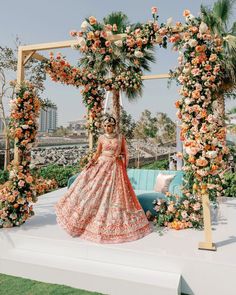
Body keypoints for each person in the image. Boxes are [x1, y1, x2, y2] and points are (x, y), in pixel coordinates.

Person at [54, 116, 152, 243]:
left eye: (109, 125)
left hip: (115, 167)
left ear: (114, 126)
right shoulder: (101, 138)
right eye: (105, 126)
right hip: (101, 165)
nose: (107, 128)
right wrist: (91, 162)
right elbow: (97, 153)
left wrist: (120, 158)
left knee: (115, 195)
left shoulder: (120, 138)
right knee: (93, 191)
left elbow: (125, 153)